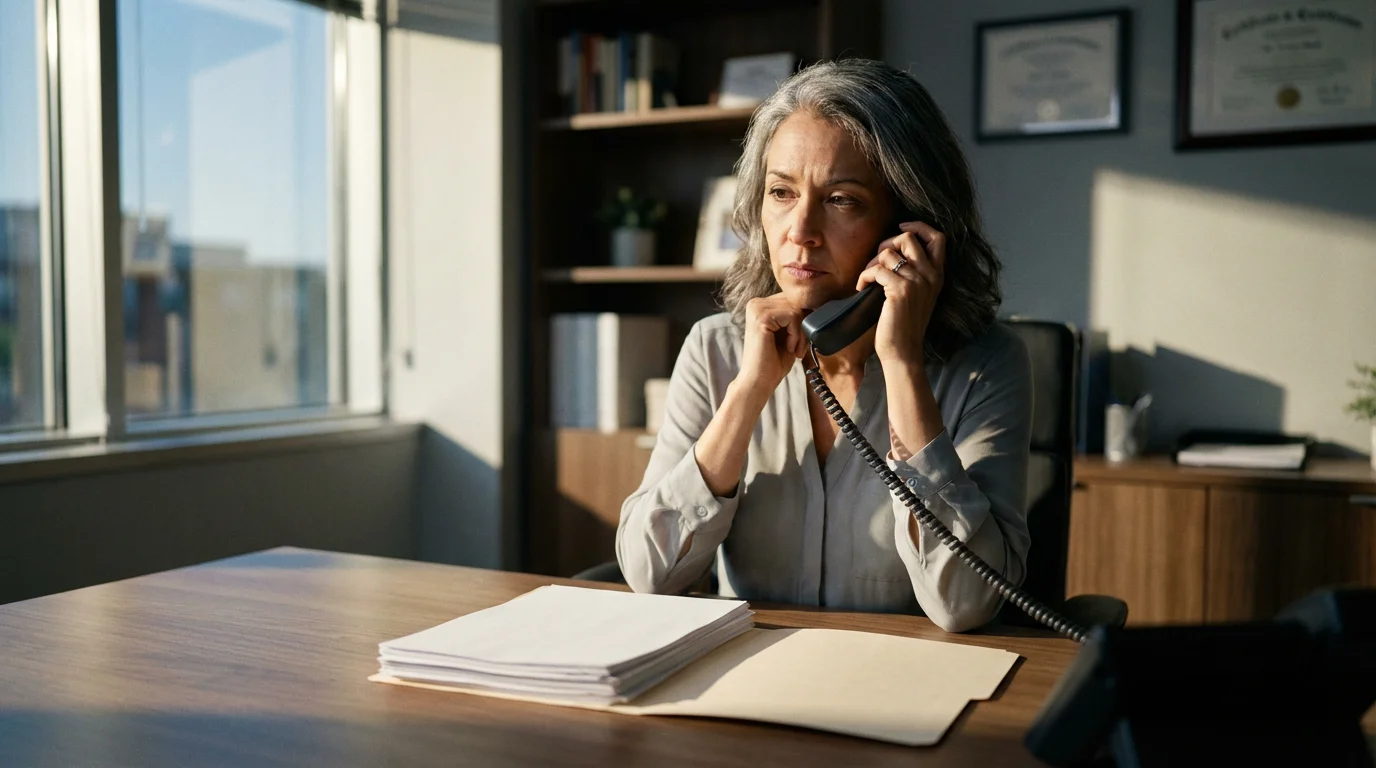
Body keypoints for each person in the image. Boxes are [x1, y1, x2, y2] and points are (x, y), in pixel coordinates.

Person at [615, 59, 1031, 632]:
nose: (800, 230)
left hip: (906, 692)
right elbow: (649, 573)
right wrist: (749, 391)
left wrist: (904, 363)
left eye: (841, 200)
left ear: (908, 227)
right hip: (749, 686)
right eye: (781, 192)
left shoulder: (986, 365)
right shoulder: (716, 351)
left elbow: (965, 604)